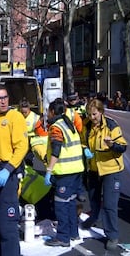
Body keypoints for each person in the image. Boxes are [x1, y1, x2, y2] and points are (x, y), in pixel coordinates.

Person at [0, 84, 28, 256]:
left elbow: (22, 146)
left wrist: (9, 169)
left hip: (6, 171)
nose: (3, 101)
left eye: (5, 97)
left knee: (6, 223)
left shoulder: (15, 117)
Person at [81, 98, 127, 251]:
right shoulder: (86, 125)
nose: (91, 117)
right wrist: (84, 149)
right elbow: (82, 141)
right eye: (89, 114)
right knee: (93, 199)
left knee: (109, 204)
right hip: (94, 169)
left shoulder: (112, 125)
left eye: (94, 114)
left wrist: (112, 145)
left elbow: (123, 147)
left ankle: (112, 235)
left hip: (111, 170)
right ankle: (94, 217)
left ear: (101, 112)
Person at [44, 98, 85, 247]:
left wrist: (49, 170)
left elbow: (56, 149)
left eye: (48, 111)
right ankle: (73, 233)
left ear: (53, 111)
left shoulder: (56, 127)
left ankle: (62, 237)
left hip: (65, 172)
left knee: (61, 204)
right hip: (76, 170)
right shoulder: (69, 124)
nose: (47, 114)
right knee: (71, 202)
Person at [19, 97, 48, 164]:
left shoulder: (35, 118)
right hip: (21, 140)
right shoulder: (17, 115)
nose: (24, 114)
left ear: (29, 109)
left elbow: (42, 133)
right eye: (22, 112)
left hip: (32, 140)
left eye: (25, 112)